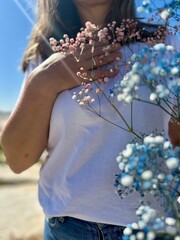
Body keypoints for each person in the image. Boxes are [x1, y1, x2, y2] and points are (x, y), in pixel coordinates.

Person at [0, 0, 179, 239]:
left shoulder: (165, 42)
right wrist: (42, 82)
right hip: (66, 227)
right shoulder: (44, 53)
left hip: (152, 224)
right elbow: (18, 159)